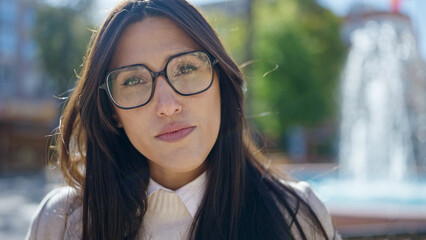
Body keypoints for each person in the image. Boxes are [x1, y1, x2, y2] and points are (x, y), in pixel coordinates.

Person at [26, 0, 340, 239]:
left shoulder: (297, 216)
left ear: (221, 83)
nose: (167, 105)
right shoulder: (63, 222)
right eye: (133, 81)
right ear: (112, 112)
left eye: (187, 69)